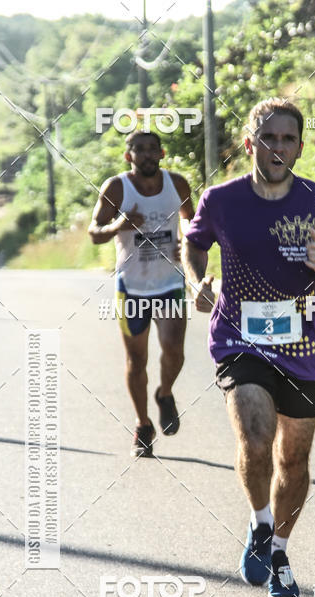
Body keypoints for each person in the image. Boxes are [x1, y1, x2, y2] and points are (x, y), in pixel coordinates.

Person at [183, 98, 315, 597]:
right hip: (240, 340)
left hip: (301, 346)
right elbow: (194, 244)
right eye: (269, 137)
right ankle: (260, 524)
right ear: (249, 142)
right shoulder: (221, 199)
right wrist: (196, 281)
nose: (278, 147)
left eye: (288, 139)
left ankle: (278, 548)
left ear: (300, 147)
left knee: (294, 460)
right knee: (256, 440)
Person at [89, 129, 195, 456]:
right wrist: (117, 226)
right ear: (128, 156)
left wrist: (187, 243)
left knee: (174, 351)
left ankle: (164, 393)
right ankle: (142, 424)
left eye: (152, 149)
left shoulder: (176, 183)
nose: (147, 155)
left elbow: (192, 221)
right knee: (137, 359)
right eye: (140, 150)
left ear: (162, 153)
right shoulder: (116, 188)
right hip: (132, 287)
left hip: (169, 283)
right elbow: (94, 232)